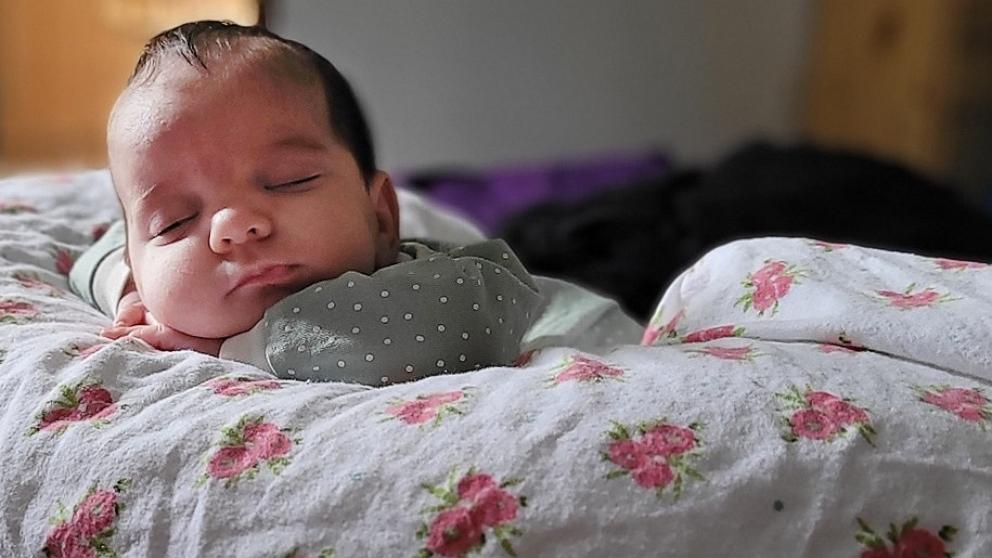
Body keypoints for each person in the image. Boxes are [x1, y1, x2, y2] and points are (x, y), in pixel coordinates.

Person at [71, 21, 642, 385]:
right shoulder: (140, 278)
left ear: (381, 216)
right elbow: (100, 254)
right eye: (174, 221)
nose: (235, 224)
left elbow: (435, 337)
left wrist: (221, 344)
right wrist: (134, 293)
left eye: (288, 181)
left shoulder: (449, 293)